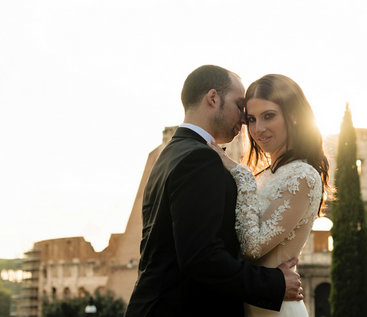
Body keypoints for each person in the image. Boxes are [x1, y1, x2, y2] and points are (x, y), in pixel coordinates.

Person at [125, 65, 303, 317]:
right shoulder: (199, 159)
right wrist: (274, 283)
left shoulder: (172, 153)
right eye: (239, 105)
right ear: (213, 98)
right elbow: (202, 257)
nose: (244, 118)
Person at [210, 74, 330, 317]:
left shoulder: (303, 176)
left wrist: (240, 174)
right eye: (251, 119)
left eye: (269, 116)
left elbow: (254, 247)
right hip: (254, 299)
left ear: (294, 116)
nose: (258, 129)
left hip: (276, 308)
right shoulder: (265, 175)